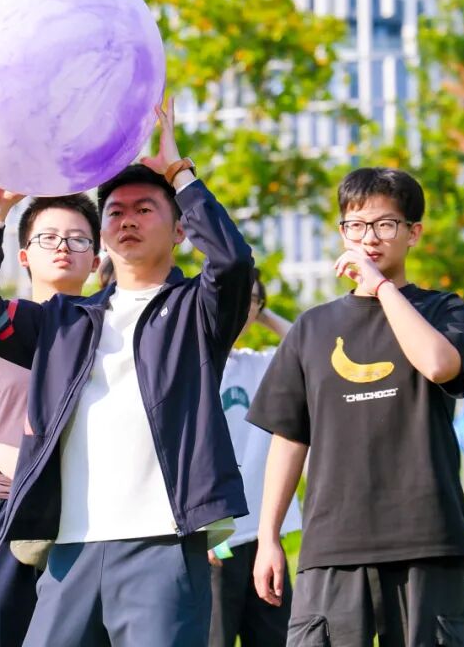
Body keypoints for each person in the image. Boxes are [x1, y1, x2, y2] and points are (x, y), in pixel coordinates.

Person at [0, 97, 254, 646]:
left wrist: (180, 174)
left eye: (145, 209)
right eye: (115, 212)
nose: (127, 219)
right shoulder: (64, 321)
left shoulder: (196, 312)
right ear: (105, 236)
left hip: (162, 543)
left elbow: (232, 263)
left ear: (180, 230)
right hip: (70, 547)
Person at [249, 167, 464, 645]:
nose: (369, 238)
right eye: (356, 225)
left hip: (426, 539)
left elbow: (439, 366)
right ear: (342, 233)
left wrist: (381, 289)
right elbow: (289, 439)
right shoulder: (312, 328)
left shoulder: (444, 311)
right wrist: (268, 536)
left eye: (385, 224)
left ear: (413, 233)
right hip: (333, 544)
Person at [0, 194, 101, 647]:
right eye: (49, 237)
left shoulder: (110, 335)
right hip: (4, 511)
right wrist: (1, 456)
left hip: (88, 516)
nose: (63, 246)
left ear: (95, 260)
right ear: (25, 255)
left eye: (78, 239)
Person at [208, 269, 301, 647]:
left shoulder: (259, 365)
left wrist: (263, 314)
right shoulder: (192, 363)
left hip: (263, 537)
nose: (242, 308)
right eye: (235, 297)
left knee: (275, 637)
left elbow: (311, 347)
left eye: (251, 300)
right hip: (214, 537)